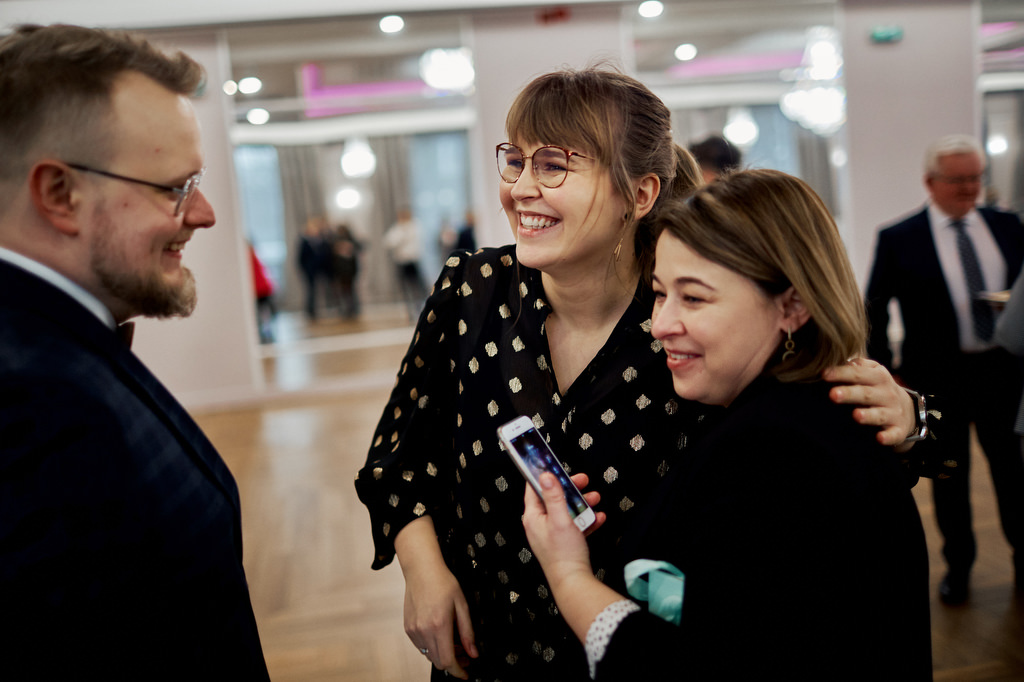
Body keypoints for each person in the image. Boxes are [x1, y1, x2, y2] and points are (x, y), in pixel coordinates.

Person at [356, 67, 920, 682]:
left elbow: (820, 466)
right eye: (514, 161)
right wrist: (424, 571)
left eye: (553, 166)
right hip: (486, 652)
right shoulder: (472, 289)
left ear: (641, 193)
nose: (520, 187)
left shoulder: (695, 327)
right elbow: (399, 458)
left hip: (638, 657)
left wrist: (912, 417)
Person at [522, 169, 932, 680]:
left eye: (694, 298)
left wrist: (567, 574)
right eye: (660, 293)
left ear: (792, 305)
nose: (661, 324)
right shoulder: (788, 416)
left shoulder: (774, 455)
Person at [0, 24, 269, 678]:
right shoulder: (33, 402)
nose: (203, 214)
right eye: (174, 187)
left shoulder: (63, 341)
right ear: (60, 194)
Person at [866, 133, 1024, 605]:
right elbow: (875, 307)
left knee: (1013, 474)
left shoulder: (1007, 225)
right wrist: (888, 369)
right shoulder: (899, 237)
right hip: (936, 378)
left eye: (975, 178)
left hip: (1001, 371)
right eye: (957, 180)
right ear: (930, 182)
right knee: (948, 478)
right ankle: (958, 566)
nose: (969, 188)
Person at [383, 207, 428, 320]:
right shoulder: (397, 228)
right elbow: (389, 242)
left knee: (418, 286)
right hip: (402, 261)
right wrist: (401, 231)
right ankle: (410, 310)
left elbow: (417, 240)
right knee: (405, 287)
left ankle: (420, 307)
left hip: (413, 260)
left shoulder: (415, 226)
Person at [297, 215, 331, 320]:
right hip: (310, 270)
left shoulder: (321, 240)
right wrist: (305, 269)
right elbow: (300, 258)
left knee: (324, 290)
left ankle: (327, 308)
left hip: (321, 269)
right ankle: (311, 311)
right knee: (311, 291)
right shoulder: (305, 242)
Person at [330, 222, 362, 319]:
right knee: (343, 291)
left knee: (350, 290)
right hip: (341, 270)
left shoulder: (351, 239)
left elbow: (360, 247)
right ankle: (346, 309)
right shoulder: (335, 240)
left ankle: (353, 309)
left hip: (350, 269)